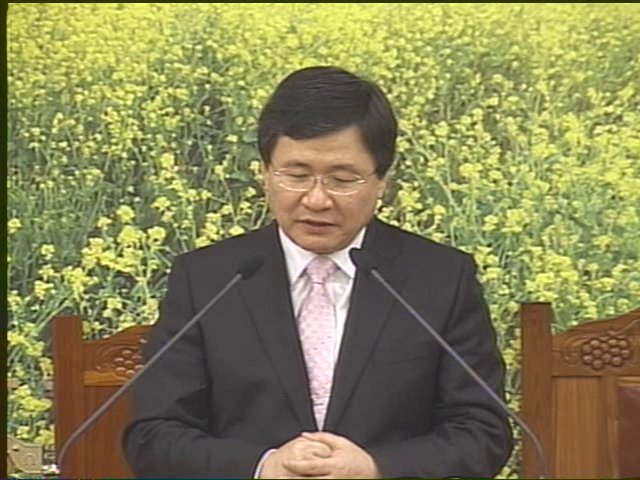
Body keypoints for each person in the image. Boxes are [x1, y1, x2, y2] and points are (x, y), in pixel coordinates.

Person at [123, 65, 513, 478]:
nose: (316, 200)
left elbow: (482, 432)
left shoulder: (440, 278)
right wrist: (263, 467)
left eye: (342, 180)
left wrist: (375, 468)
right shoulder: (208, 279)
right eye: (296, 176)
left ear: (382, 181)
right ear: (265, 173)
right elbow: (154, 436)